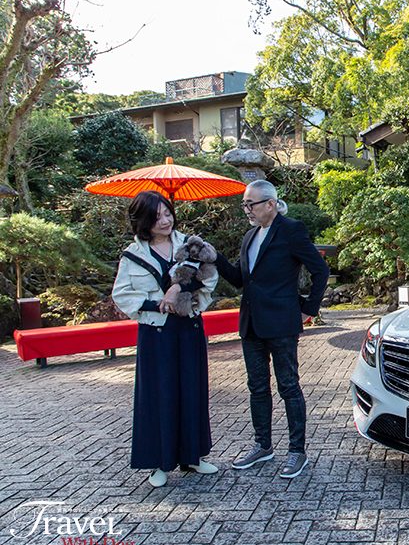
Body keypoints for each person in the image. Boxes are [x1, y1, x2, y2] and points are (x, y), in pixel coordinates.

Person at [215, 180, 329, 479]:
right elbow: (241, 280)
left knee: (288, 386)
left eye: (250, 204)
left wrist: (309, 308)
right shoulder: (250, 236)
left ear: (270, 204)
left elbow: (320, 270)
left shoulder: (291, 229)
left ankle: (296, 451)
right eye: (244, 204)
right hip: (251, 323)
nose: (246, 209)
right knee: (257, 387)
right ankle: (262, 445)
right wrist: (214, 257)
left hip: (280, 322)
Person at [112, 191, 219, 488]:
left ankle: (193, 456)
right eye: (157, 215)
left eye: (167, 212)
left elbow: (209, 278)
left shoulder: (191, 246)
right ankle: (159, 462)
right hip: (156, 333)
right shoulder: (133, 256)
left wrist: (179, 289)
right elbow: (122, 294)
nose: (165, 220)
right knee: (158, 396)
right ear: (143, 220)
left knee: (192, 391)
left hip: (188, 329)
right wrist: (159, 300)